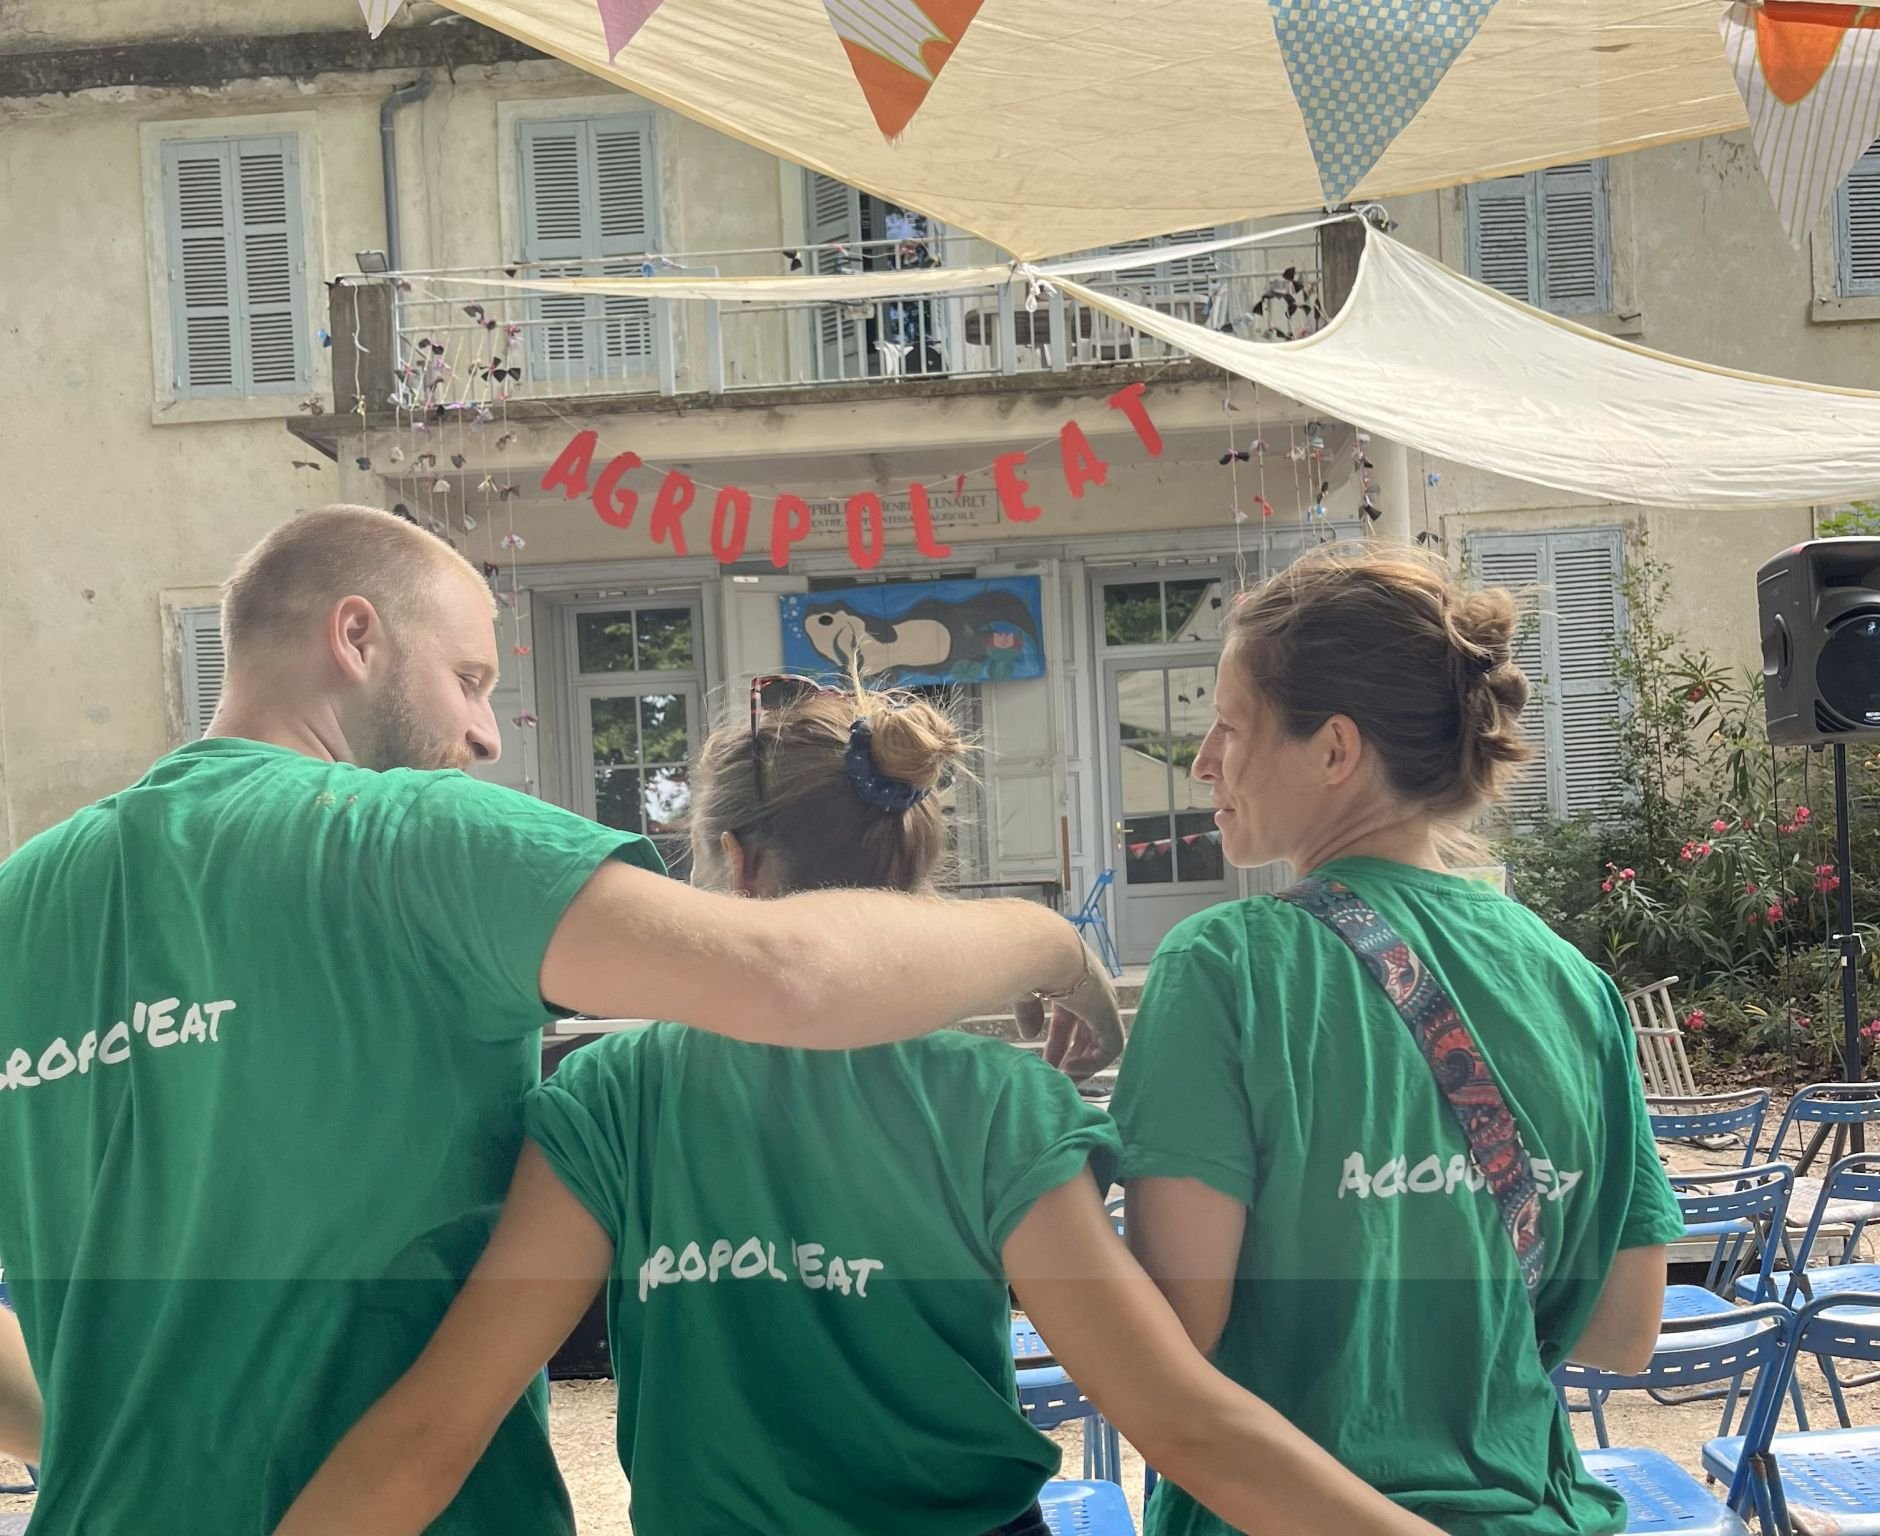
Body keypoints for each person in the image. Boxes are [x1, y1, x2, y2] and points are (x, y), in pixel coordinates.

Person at [0, 505, 1122, 1536]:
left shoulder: (18, 906)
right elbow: (792, 977)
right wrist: (1057, 947)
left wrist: (133, 1454)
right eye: (469, 679)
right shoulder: (410, 837)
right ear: (356, 637)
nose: (485, 734)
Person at [274, 678, 1447, 1536]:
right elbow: (1183, 1422)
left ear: (735, 863)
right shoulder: (997, 1104)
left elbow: (435, 1426)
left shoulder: (614, 1099)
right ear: (914, 866)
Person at [1110, 546, 1684, 1536]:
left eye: (1229, 725)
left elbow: (1172, 1346)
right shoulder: (1572, 981)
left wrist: (1030, 1169)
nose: (1202, 760)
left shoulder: (1223, 966)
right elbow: (1622, 1330)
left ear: (1334, 750)